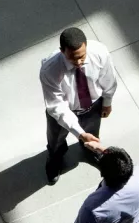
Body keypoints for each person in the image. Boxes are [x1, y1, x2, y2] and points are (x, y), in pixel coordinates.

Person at [40, 27, 117, 185]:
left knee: (92, 133)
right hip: (62, 113)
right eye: (72, 58)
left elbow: (109, 79)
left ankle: (90, 151)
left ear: (86, 46)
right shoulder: (50, 70)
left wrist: (107, 102)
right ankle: (55, 159)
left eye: (82, 57)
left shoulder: (99, 53)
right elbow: (57, 106)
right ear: (62, 51)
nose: (78, 62)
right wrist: (80, 133)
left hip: (92, 106)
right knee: (56, 141)